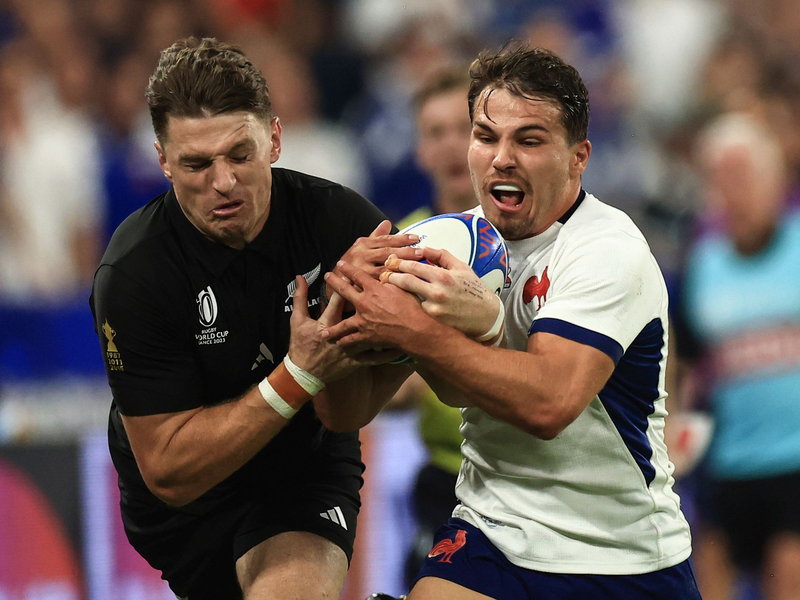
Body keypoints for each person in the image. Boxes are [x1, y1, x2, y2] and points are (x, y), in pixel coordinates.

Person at [324, 44, 700, 599]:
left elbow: (548, 405)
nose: (501, 158)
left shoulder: (606, 249)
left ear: (578, 157)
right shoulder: (444, 242)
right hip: (491, 529)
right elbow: (344, 412)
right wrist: (342, 314)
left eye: (529, 140)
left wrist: (425, 332)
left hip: (618, 553)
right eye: (486, 136)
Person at [90, 37, 418, 600]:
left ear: (275, 139)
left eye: (240, 155)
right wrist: (300, 373)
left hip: (302, 475)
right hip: (185, 508)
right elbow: (168, 471)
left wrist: (376, 338)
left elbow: (346, 415)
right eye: (196, 163)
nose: (223, 182)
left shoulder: (342, 226)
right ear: (163, 161)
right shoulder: (134, 273)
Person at [676, 110, 800, 600]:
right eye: (721, 178)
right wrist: (675, 424)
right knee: (711, 576)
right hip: (729, 460)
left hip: (795, 458)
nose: (734, 191)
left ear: (775, 178)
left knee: (788, 573)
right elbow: (685, 360)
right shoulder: (703, 263)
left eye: (744, 174)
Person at [393, 67, 476, 588]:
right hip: (450, 474)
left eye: (464, 129)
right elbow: (385, 385)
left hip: (538, 470)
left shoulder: (532, 232)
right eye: (435, 132)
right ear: (420, 151)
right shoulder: (400, 247)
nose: (450, 145)